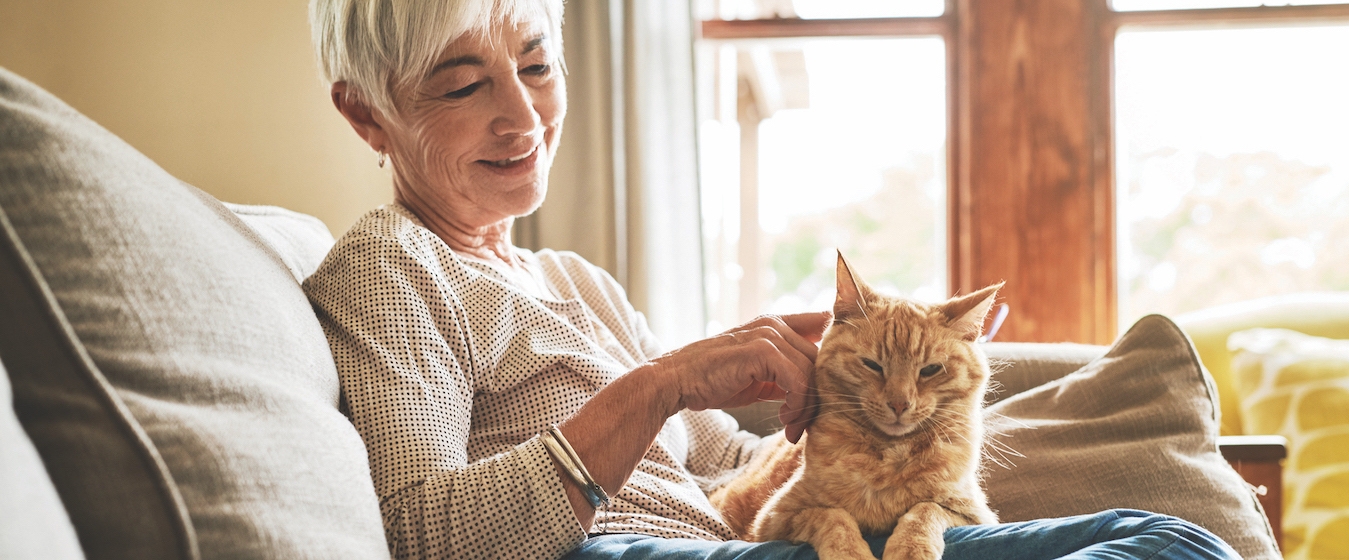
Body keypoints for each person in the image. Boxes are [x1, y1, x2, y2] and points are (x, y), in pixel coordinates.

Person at [301, 1, 1242, 559]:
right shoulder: (391, 267)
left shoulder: (570, 279)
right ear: (365, 115)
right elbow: (423, 536)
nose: (524, 117)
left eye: (537, 67)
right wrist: (664, 380)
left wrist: (843, 402)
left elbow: (722, 471)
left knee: (1169, 539)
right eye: (464, 86)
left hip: (735, 543)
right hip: (618, 556)